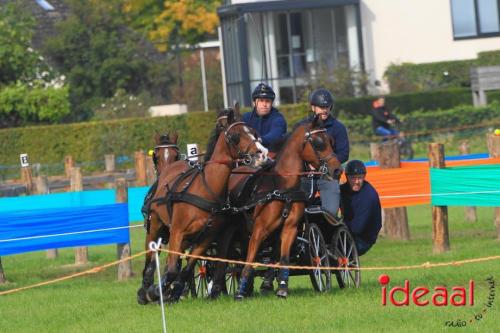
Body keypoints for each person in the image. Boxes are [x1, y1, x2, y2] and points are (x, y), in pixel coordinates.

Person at [299, 88, 349, 219]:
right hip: (305, 176)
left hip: (328, 176)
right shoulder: (301, 126)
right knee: (297, 212)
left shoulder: (338, 128)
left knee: (331, 214)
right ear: (313, 107)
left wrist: (322, 165)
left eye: (327, 106)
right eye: (321, 107)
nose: (325, 110)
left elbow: (344, 153)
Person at [340, 160, 382, 255]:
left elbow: (357, 228)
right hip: (348, 231)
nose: (357, 182)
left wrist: (337, 227)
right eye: (353, 178)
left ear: (364, 177)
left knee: (334, 248)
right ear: (347, 177)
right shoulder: (343, 189)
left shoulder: (369, 196)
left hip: (363, 239)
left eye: (360, 178)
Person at [242, 83, 287, 149]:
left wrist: (259, 139)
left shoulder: (278, 118)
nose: (264, 104)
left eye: (267, 101)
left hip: (272, 156)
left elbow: (276, 134)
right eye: (261, 101)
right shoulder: (246, 118)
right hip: (249, 155)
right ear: (254, 102)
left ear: (271, 103)